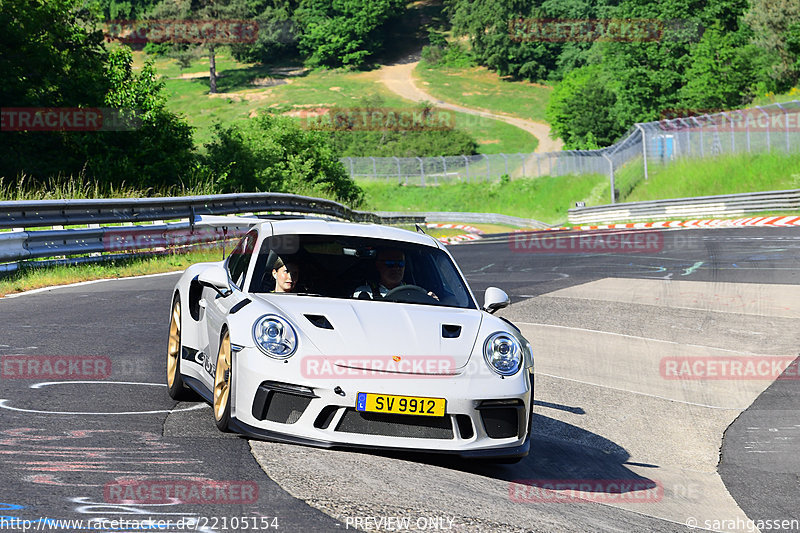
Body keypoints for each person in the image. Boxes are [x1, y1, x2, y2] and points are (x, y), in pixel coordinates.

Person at [353, 249, 438, 300]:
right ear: (378, 265)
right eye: (390, 263)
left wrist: (432, 302)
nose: (396, 268)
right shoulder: (364, 292)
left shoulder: (416, 293)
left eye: (400, 264)